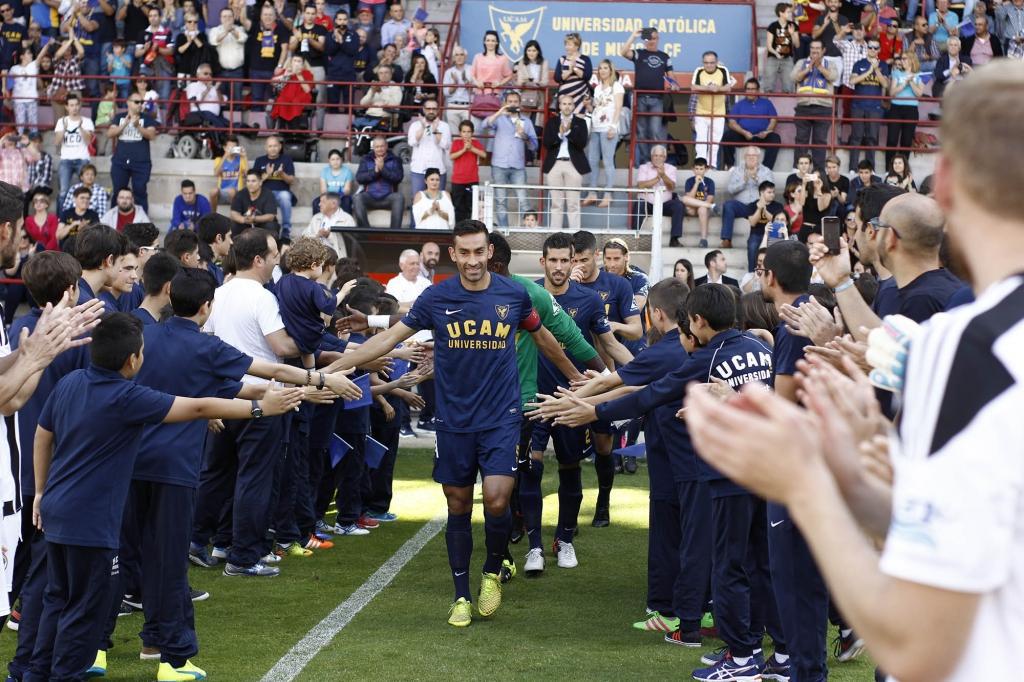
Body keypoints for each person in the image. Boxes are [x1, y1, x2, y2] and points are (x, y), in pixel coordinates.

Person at [686, 62, 1024, 682]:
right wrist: (860, 472)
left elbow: (916, 643)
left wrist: (804, 482)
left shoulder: (969, 347)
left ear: (945, 184)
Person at [321, 220, 560, 627]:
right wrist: (337, 367)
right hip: (453, 421)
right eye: (463, 253)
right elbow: (392, 336)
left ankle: (491, 571)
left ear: (489, 253)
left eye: (478, 252)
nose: (471, 260)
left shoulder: (514, 294)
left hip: (501, 416)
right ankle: (461, 596)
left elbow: (546, 338)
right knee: (459, 506)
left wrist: (579, 379)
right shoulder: (437, 297)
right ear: (454, 254)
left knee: (499, 500)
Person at [522, 232, 633, 574]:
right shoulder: (525, 296)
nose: (557, 267)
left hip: (573, 399)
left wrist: (641, 374)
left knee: (570, 467)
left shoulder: (588, 301)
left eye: (564, 260)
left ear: (574, 262)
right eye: (551, 260)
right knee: (531, 466)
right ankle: (535, 547)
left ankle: (564, 539)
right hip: (532, 399)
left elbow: (609, 345)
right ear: (542, 262)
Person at [634, 146, 713, 248]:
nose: (657, 158)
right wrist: (658, 177)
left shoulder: (671, 168)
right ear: (651, 156)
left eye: (660, 156)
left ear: (665, 157)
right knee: (638, 204)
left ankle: (674, 239)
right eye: (655, 155)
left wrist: (663, 175)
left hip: (665, 204)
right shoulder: (644, 167)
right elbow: (641, 185)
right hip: (646, 203)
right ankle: (635, 237)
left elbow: (671, 186)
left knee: (678, 206)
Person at [620, 26, 677, 167]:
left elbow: (672, 78)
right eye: (649, 38)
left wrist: (674, 85)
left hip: (657, 99)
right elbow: (623, 52)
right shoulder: (639, 54)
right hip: (639, 98)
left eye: (655, 38)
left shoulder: (665, 57)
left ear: (658, 39)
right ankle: (646, 164)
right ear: (645, 40)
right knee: (641, 133)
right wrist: (633, 35)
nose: (652, 41)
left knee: (656, 132)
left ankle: (657, 164)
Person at [484, 91, 537, 228]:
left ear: (519, 104)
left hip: (518, 167)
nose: (513, 104)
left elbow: (534, 146)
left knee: (523, 200)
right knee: (501, 201)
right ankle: (504, 232)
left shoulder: (527, 121)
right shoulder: (500, 119)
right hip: (499, 165)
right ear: (505, 103)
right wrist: (500, 112)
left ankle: (528, 232)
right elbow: (485, 124)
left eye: (515, 102)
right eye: (510, 101)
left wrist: (524, 135)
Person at [543, 94, 590, 231]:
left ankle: (575, 235)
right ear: (559, 106)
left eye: (570, 104)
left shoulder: (580, 122)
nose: (567, 106)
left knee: (573, 203)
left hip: (573, 165)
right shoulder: (552, 122)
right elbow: (546, 143)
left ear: (574, 106)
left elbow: (582, 143)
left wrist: (568, 132)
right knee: (556, 203)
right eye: (564, 104)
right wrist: (559, 135)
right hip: (554, 164)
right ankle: (554, 235)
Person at [791, 40, 838, 172]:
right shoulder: (801, 63)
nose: (815, 51)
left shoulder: (830, 64)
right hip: (804, 106)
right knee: (801, 139)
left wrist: (820, 67)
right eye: (812, 48)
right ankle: (797, 168)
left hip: (823, 108)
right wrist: (808, 68)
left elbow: (833, 76)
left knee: (820, 141)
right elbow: (793, 77)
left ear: (823, 50)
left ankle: (818, 170)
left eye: (818, 48)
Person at [583, 59, 624, 208]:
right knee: (592, 160)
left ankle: (608, 194)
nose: (602, 71)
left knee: (607, 161)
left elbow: (618, 107)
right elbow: (597, 107)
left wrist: (613, 126)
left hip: (608, 127)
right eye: (600, 68)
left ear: (611, 70)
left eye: (605, 68)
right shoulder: (598, 87)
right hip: (595, 127)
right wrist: (589, 105)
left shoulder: (617, 86)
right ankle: (592, 193)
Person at [106, 93, 157, 213]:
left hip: (141, 162)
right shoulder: (119, 117)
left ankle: (142, 225)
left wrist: (137, 126)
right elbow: (110, 133)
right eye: (136, 102)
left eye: (141, 102)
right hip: (120, 161)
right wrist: (124, 124)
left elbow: (152, 135)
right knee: (118, 191)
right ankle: (114, 223)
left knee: (140, 191)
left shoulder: (147, 118)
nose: (140, 104)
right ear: (128, 102)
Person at [720, 78, 782, 169]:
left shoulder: (766, 103)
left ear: (758, 90)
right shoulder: (739, 104)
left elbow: (773, 119)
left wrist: (766, 132)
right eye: (748, 89)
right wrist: (744, 132)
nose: (750, 91)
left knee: (775, 138)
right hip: (744, 136)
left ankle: (766, 168)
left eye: (753, 89)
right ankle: (730, 166)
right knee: (727, 136)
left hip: (761, 136)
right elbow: (731, 122)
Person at [721, 147, 776, 249]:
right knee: (728, 205)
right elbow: (730, 190)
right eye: (748, 156)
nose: (751, 158)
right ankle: (726, 240)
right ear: (744, 157)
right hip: (742, 206)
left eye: (754, 156)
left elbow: (771, 189)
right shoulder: (737, 170)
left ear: (758, 157)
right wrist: (744, 181)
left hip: (758, 206)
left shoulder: (766, 171)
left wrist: (757, 179)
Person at [847, 39, 889, 170]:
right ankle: (853, 169)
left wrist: (876, 70)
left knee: (872, 138)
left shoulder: (884, 65)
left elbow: (886, 84)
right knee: (856, 138)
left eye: (875, 48)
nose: (872, 50)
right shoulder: (859, 63)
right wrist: (869, 70)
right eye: (870, 47)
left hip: (875, 107)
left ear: (879, 50)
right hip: (858, 106)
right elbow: (853, 80)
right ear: (867, 49)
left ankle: (871, 169)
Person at [242, 4, 291, 114]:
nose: (267, 17)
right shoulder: (255, 26)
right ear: (260, 16)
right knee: (256, 100)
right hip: (256, 70)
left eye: (270, 15)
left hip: (273, 71)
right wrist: (242, 7)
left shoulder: (281, 28)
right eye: (265, 14)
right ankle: (257, 128)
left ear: (275, 16)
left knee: (272, 102)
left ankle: (269, 129)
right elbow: (244, 20)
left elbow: (285, 49)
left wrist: (280, 66)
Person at [691, 51, 733, 168]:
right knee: (701, 141)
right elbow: (693, 87)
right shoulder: (699, 71)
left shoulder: (723, 70)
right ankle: (700, 166)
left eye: (711, 62)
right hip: (701, 112)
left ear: (716, 62)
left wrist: (717, 88)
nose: (709, 65)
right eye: (706, 63)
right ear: (702, 62)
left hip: (718, 113)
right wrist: (709, 88)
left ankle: (712, 166)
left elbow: (728, 87)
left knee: (715, 142)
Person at [53, 93, 94, 209]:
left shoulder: (86, 121)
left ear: (80, 105)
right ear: (66, 107)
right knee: (63, 192)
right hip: (66, 160)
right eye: (71, 105)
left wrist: (80, 127)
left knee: (84, 191)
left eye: (76, 105)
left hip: (83, 159)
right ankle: (60, 220)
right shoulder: (61, 121)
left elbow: (88, 141)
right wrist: (64, 129)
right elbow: (56, 142)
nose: (74, 108)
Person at [353, 136, 404, 229]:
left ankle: (394, 233)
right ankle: (366, 232)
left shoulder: (395, 160)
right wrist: (375, 172)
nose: (379, 149)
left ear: (386, 146)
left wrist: (383, 169)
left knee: (399, 197)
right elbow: (359, 178)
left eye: (382, 146)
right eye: (377, 147)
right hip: (370, 196)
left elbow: (398, 178)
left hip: (388, 197)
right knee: (357, 198)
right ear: (373, 147)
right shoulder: (366, 159)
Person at [252, 136, 296, 240]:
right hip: (264, 193)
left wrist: (282, 174)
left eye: (275, 146)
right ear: (266, 148)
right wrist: (266, 175)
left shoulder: (286, 159)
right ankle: (258, 229)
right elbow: (253, 183)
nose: (273, 148)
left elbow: (291, 180)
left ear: (280, 146)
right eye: (270, 146)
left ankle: (286, 230)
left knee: (285, 196)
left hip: (281, 192)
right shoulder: (259, 160)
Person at [885, 52, 924, 168]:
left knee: (906, 142)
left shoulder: (919, 75)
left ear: (912, 60)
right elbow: (892, 93)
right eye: (901, 59)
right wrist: (904, 83)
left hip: (911, 109)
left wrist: (911, 81)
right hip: (896, 108)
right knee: (892, 140)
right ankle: (889, 168)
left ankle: (903, 168)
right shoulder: (896, 73)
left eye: (904, 59)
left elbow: (919, 94)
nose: (902, 61)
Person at [469, 30, 513, 131]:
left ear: (497, 42)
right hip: (479, 95)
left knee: (492, 131)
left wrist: (499, 83)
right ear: (484, 42)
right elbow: (472, 74)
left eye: (493, 40)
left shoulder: (503, 58)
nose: (490, 43)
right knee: (476, 130)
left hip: (495, 97)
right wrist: (476, 82)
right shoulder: (478, 57)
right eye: (488, 40)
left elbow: (509, 75)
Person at [208, 7, 247, 115]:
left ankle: (236, 127)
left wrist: (232, 31)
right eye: (224, 16)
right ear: (220, 18)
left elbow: (242, 38)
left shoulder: (240, 29)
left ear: (234, 18)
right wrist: (226, 31)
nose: (227, 19)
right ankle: (224, 127)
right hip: (221, 71)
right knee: (223, 101)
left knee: (237, 101)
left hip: (237, 71)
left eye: (230, 16)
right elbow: (214, 41)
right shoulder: (215, 30)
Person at [407, 100, 451, 196]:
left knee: (438, 202)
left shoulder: (444, 126)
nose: (431, 111)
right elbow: (412, 142)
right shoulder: (415, 125)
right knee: (417, 202)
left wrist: (435, 130)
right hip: (419, 169)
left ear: (438, 110)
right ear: (424, 109)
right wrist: (423, 127)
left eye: (434, 109)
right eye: (428, 108)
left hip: (438, 169)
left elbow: (445, 145)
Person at [135, 5, 174, 106]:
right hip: (146, 68)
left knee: (164, 97)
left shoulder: (167, 32)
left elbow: (171, 51)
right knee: (145, 96)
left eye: (155, 15)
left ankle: (163, 120)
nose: (152, 18)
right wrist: (145, 49)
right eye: (150, 16)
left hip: (163, 67)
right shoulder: (142, 33)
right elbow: (137, 53)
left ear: (160, 17)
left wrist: (158, 49)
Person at [449, 120, 485, 223]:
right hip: (458, 181)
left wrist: (472, 148)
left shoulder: (476, 143)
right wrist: (464, 149)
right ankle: (459, 230)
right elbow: (452, 156)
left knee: (472, 206)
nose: (466, 134)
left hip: (472, 180)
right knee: (459, 207)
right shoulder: (456, 143)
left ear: (472, 132)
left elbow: (484, 155)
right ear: (460, 133)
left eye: (469, 132)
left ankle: (470, 229)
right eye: (464, 131)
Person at [323, 9, 358, 111]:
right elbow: (329, 51)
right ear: (335, 21)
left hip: (349, 74)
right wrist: (337, 39)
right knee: (332, 106)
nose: (342, 22)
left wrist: (341, 41)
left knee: (349, 106)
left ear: (347, 21)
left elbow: (352, 51)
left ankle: (349, 127)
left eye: (344, 19)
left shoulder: (353, 35)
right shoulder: (329, 35)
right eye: (340, 19)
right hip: (333, 74)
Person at [230, 169, 281, 236]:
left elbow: (271, 216)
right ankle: (237, 245)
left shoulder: (268, 194)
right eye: (248, 181)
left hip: (262, 225)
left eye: (253, 181)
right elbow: (234, 214)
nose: (250, 184)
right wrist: (244, 220)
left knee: (271, 226)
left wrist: (254, 219)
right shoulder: (240, 194)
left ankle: (269, 245)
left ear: (260, 182)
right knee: (233, 226)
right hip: (245, 224)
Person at [184, 63, 231, 131]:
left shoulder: (214, 88)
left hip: (214, 117)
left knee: (230, 125)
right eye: (206, 74)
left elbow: (223, 103)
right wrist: (207, 89)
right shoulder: (193, 86)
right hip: (200, 115)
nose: (209, 76)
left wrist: (217, 90)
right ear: (198, 75)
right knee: (221, 124)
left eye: (210, 74)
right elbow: (195, 102)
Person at [305, 191, 353, 257]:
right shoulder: (316, 218)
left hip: (338, 259)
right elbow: (305, 237)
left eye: (322, 202)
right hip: (317, 258)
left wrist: (329, 236)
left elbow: (350, 244)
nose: (319, 204)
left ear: (333, 204)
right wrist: (318, 235)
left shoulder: (347, 219)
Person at [554, 32, 592, 115]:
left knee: (578, 122)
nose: (567, 47)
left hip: (580, 97)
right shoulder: (562, 59)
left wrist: (575, 69)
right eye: (566, 44)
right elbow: (557, 78)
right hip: (564, 98)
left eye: (569, 45)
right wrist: (570, 71)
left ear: (577, 46)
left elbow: (587, 76)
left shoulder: (585, 59)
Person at [683, 158, 717, 248]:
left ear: (706, 170)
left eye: (701, 169)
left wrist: (703, 205)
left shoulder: (710, 182)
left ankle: (703, 239)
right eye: (696, 169)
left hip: (704, 210)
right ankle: (711, 207)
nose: (698, 172)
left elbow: (709, 200)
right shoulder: (689, 181)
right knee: (685, 199)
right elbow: (689, 199)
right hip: (692, 209)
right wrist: (696, 184)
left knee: (702, 209)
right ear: (693, 169)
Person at [766, 3, 801, 92]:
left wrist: (792, 33)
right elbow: (769, 46)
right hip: (773, 58)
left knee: (788, 87)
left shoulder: (792, 25)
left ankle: (787, 104)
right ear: (781, 13)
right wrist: (776, 54)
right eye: (788, 12)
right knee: (768, 86)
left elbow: (797, 45)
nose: (790, 14)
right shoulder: (773, 26)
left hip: (787, 59)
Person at [211, 137, 247, 214]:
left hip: (237, 192)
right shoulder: (219, 159)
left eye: (234, 147)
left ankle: (234, 215)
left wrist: (245, 156)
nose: (232, 149)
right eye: (230, 147)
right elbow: (216, 173)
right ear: (224, 148)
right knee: (213, 191)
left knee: (231, 191)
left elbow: (248, 174)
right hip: (222, 192)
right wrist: (225, 156)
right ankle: (213, 214)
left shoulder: (240, 159)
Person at [196, 213, 233, 285]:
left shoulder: (203, 264)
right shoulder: (203, 268)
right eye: (229, 236)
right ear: (219, 238)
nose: (231, 242)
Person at [442, 45, 472, 132]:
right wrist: (455, 84)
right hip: (452, 105)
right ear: (454, 57)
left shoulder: (471, 69)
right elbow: (446, 92)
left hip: (467, 106)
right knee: (454, 136)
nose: (459, 57)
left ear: (465, 57)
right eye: (456, 55)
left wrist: (465, 81)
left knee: (468, 135)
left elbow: (475, 91)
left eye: (461, 55)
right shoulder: (449, 72)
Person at [317, 149, 354, 215]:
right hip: (328, 196)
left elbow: (347, 190)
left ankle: (346, 224)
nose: (335, 162)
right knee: (315, 203)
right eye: (333, 159)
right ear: (329, 161)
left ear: (341, 160)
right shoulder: (325, 171)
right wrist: (330, 198)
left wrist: (337, 197)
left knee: (347, 202)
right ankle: (319, 223)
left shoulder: (347, 172)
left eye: (337, 159)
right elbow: (323, 190)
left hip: (342, 196)